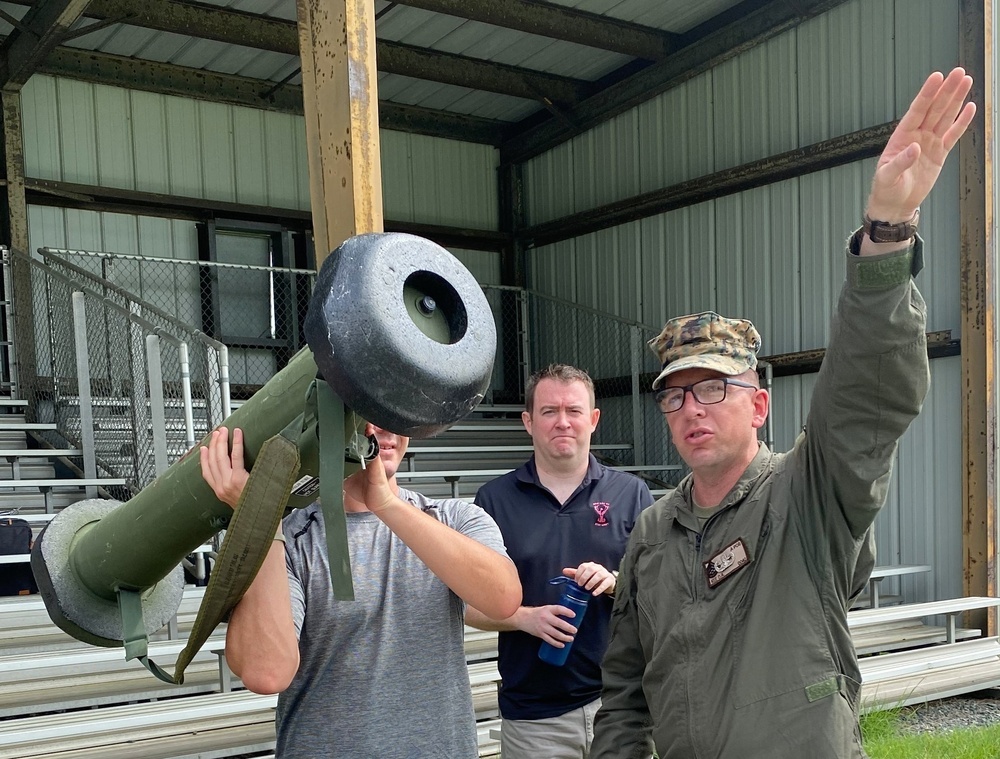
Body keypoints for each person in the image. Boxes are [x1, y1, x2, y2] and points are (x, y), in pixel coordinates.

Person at [590, 68, 976, 759]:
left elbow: (866, 392)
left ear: (759, 403)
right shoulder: (651, 532)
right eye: (675, 394)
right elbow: (624, 689)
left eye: (713, 388)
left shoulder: (807, 492)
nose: (690, 409)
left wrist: (886, 237)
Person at [199, 422, 521, 759]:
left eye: (392, 413)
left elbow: (503, 598)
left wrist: (386, 504)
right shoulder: (294, 539)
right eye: (361, 413)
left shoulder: (455, 518)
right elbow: (266, 672)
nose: (378, 428)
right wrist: (261, 520)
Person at [466, 364, 654, 759]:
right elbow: (465, 606)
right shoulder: (494, 501)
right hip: (534, 718)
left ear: (594, 420)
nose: (562, 422)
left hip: (620, 708)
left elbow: (661, 591)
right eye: (549, 411)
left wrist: (616, 581)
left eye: (574, 411)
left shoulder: (632, 494)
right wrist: (522, 617)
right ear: (528, 422)